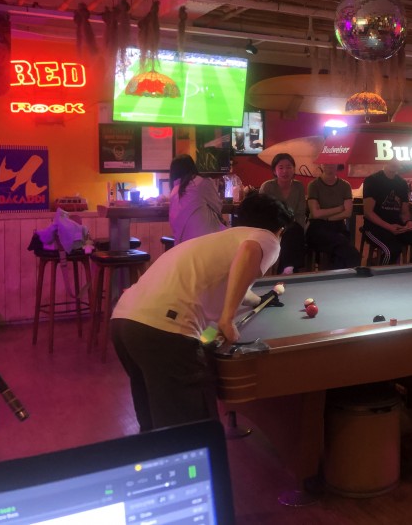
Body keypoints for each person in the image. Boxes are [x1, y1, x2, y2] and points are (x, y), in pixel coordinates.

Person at [110, 192, 290, 432]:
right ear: (279, 230)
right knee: (195, 434)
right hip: (163, 331)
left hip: (125, 323)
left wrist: (260, 300)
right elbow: (249, 251)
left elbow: (234, 283)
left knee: (156, 429)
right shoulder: (267, 238)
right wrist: (227, 319)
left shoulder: (220, 239)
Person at [361, 159, 412, 265]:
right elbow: (368, 213)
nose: (394, 163)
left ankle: (410, 269)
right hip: (375, 228)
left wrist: (408, 222)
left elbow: (404, 213)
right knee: (392, 251)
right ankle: (382, 274)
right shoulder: (372, 180)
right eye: (391, 160)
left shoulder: (402, 183)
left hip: (398, 227)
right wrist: (389, 227)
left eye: (396, 160)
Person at [305, 163, 361, 269]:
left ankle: (336, 275)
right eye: (326, 163)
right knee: (350, 252)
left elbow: (348, 213)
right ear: (321, 165)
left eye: (332, 163)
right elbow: (316, 214)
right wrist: (339, 208)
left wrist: (327, 217)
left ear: (337, 165)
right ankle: (345, 275)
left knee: (342, 250)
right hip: (318, 227)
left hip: (339, 226)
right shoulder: (314, 185)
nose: (329, 165)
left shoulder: (345, 185)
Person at [259, 153, 306, 274]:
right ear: (274, 171)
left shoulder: (299, 187)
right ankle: (289, 268)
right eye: (281, 167)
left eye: (289, 167)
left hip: (293, 224)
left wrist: (297, 225)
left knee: (293, 231)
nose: (285, 171)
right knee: (289, 233)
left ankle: (286, 269)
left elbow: (301, 212)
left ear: (294, 169)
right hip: (272, 225)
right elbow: (262, 212)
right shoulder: (267, 187)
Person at [168, 154, 226, 244]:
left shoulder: (173, 192)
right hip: (206, 242)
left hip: (181, 245)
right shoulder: (202, 182)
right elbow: (218, 206)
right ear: (192, 167)